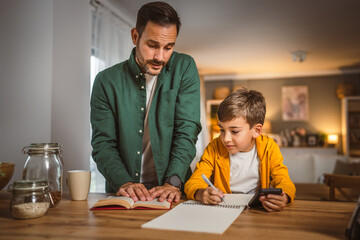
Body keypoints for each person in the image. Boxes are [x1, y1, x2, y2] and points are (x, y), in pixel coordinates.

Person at [91, 2, 201, 204]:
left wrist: (173, 182)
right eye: (152, 45)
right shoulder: (105, 81)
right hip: (124, 194)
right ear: (135, 37)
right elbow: (103, 143)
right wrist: (123, 182)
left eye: (168, 47)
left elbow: (187, 130)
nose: (160, 57)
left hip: (172, 190)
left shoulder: (185, 68)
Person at [184, 88, 296, 211]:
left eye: (234, 131)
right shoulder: (214, 147)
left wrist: (284, 197)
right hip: (223, 210)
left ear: (256, 130)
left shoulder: (269, 147)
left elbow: (284, 180)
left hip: (257, 210)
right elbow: (194, 181)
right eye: (222, 130)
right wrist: (200, 193)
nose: (225, 138)